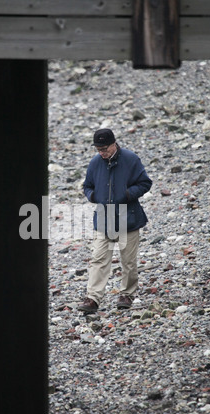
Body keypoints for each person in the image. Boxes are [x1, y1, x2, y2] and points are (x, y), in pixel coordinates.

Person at [79, 128, 152, 313]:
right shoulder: (95, 162)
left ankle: (127, 294)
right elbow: (86, 186)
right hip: (103, 220)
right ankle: (93, 298)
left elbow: (145, 183)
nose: (102, 153)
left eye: (104, 149)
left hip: (128, 219)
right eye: (98, 149)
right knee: (99, 259)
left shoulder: (131, 159)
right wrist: (93, 195)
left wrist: (127, 194)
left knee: (128, 261)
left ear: (114, 144)